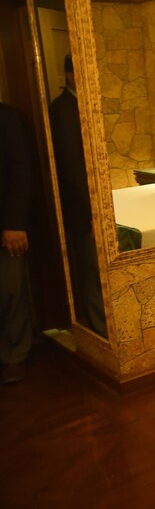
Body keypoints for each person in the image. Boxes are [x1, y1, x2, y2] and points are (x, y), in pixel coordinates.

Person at [49, 54, 107, 337]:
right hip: (82, 207)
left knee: (95, 267)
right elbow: (72, 168)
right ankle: (98, 328)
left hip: (93, 203)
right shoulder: (62, 110)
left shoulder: (84, 106)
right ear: (71, 76)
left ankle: (102, 321)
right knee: (90, 268)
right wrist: (91, 212)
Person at [0, 102, 34, 383]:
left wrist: (14, 223)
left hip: (6, 227)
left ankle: (15, 355)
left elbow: (20, 171)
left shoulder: (8, 118)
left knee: (10, 291)